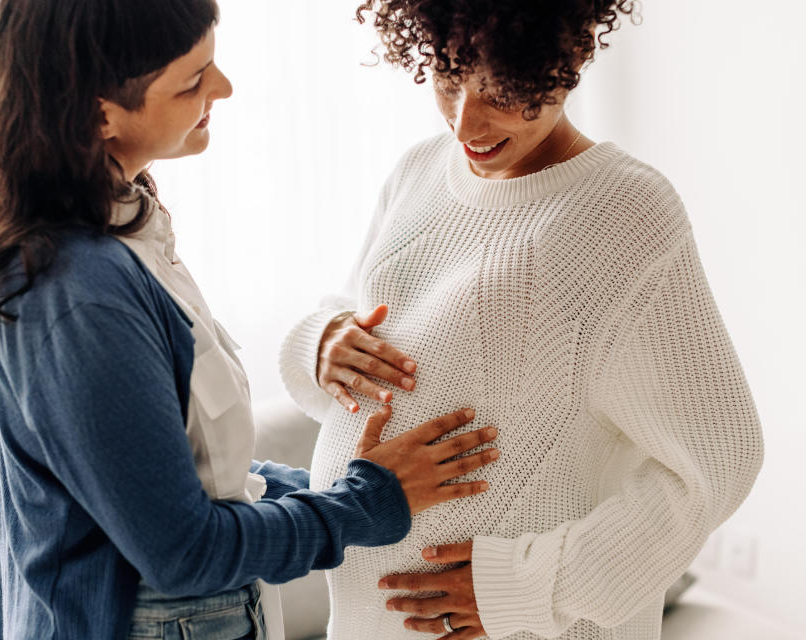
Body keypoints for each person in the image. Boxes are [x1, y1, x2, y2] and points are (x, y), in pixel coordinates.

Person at [0, 1, 503, 639]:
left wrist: (333, 482)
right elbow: (186, 551)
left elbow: (183, 476)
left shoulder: (125, 236)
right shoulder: (79, 295)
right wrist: (368, 501)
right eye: (192, 80)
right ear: (99, 112)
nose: (223, 88)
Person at [278, 1, 765, 639]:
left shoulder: (624, 213)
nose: (464, 123)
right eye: (449, 81)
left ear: (566, 64)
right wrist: (320, 345)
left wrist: (528, 585)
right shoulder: (418, 173)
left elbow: (721, 454)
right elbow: (355, 328)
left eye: (501, 93)